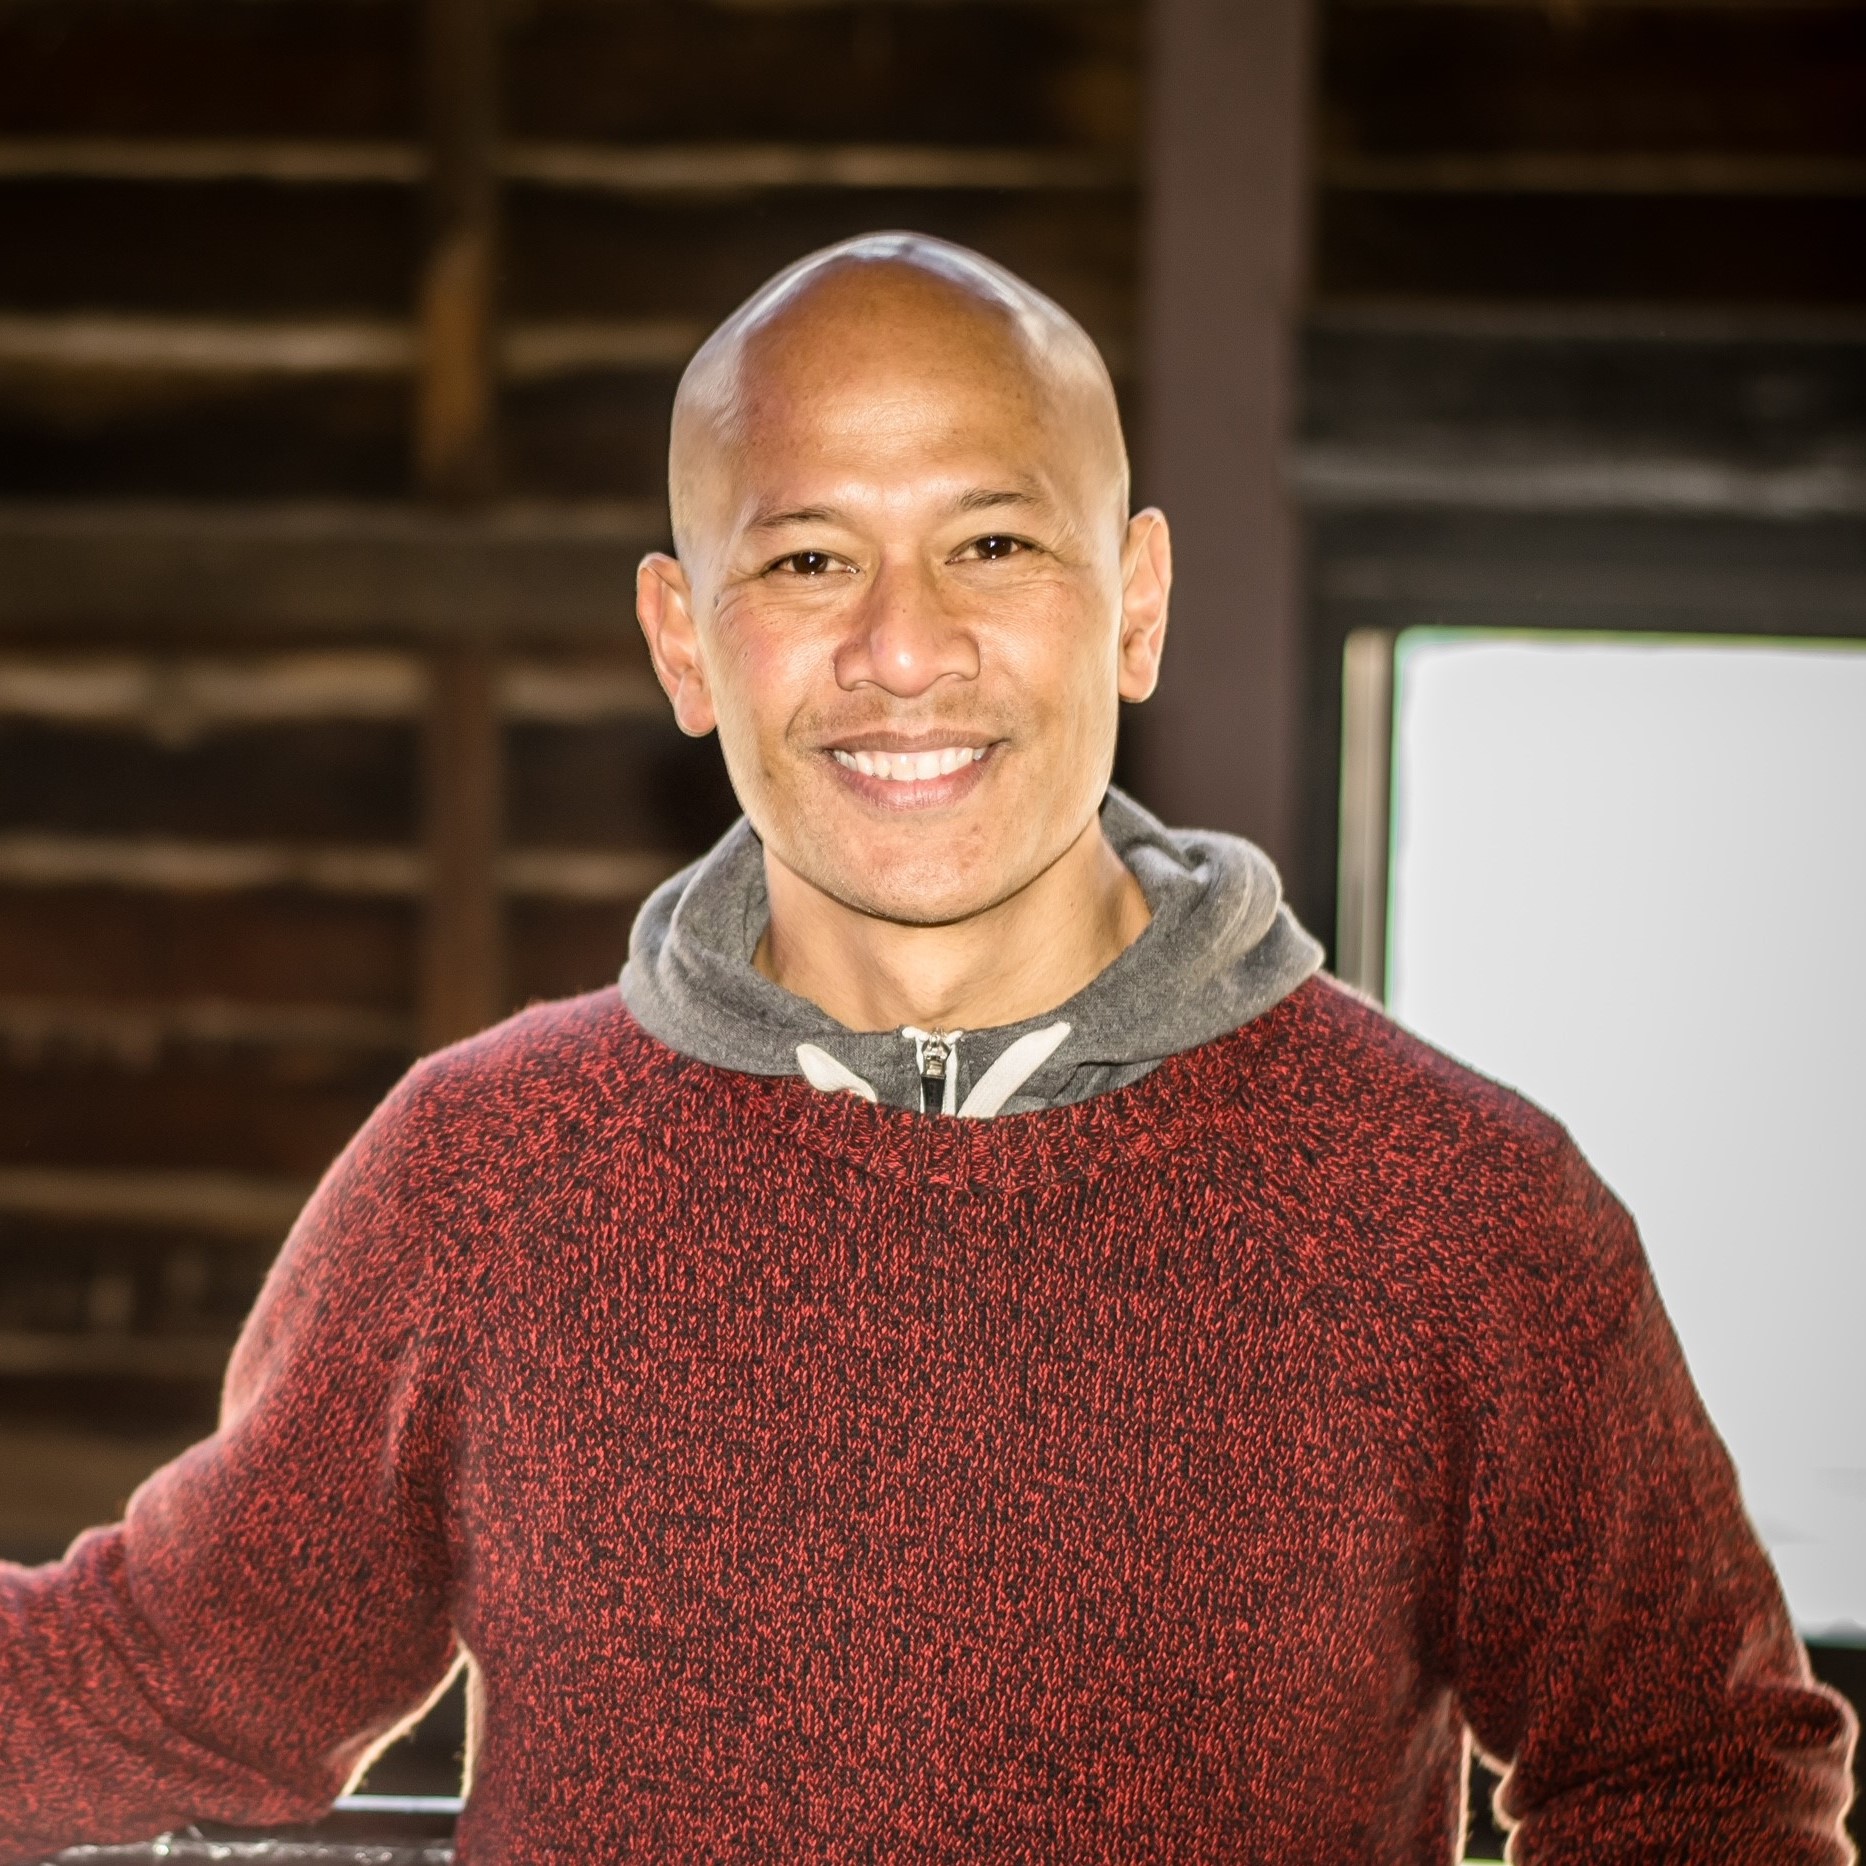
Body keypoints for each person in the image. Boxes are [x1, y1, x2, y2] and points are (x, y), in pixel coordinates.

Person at [0, 233, 1854, 1864]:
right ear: (681, 641)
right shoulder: (488, 1171)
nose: (903, 646)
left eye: (990, 540)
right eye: (807, 558)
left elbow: (1691, 1778)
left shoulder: (1452, 1207)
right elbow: (171, 1671)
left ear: (1130, 602)